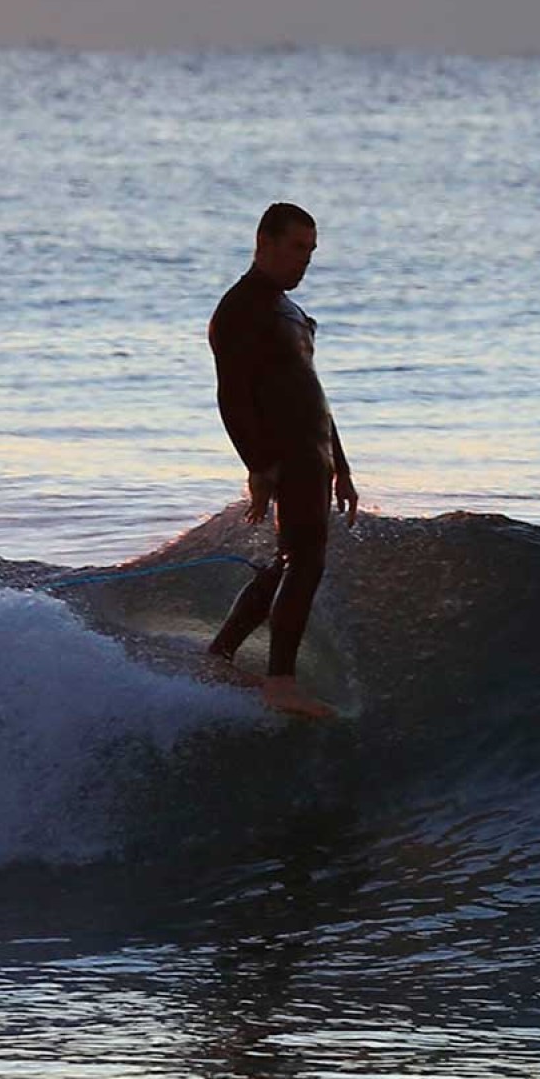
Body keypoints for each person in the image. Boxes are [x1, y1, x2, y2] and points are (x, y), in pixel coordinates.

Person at [205, 202, 358, 715]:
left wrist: (343, 466)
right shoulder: (241, 308)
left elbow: (312, 393)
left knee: (285, 562)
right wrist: (259, 465)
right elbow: (232, 397)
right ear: (263, 243)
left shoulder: (287, 309)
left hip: (313, 456)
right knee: (304, 561)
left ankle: (221, 654)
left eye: (311, 251)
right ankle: (281, 682)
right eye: (296, 248)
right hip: (287, 455)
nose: (305, 261)